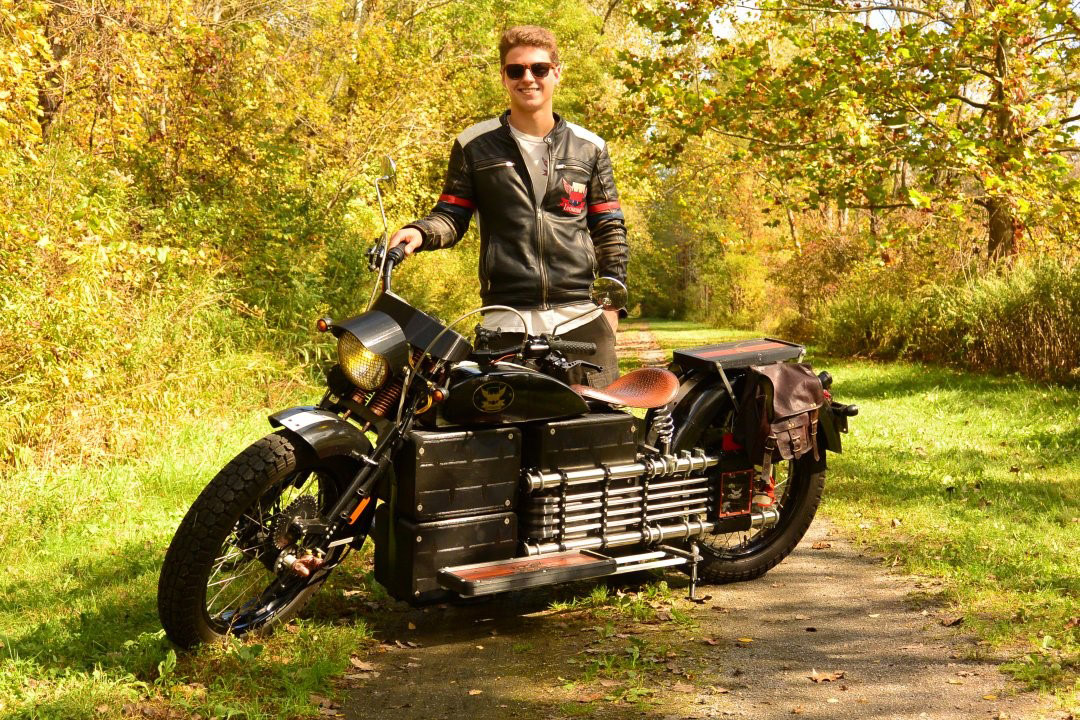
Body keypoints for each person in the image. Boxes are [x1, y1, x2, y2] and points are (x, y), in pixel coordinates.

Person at [387, 25, 628, 387]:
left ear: (557, 73)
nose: (528, 78)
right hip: (505, 323)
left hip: (582, 321)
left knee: (595, 436)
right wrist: (419, 232)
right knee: (500, 440)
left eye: (539, 69)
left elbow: (609, 227)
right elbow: (451, 216)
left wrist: (611, 306)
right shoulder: (474, 144)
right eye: (516, 70)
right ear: (503, 76)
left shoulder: (589, 147)